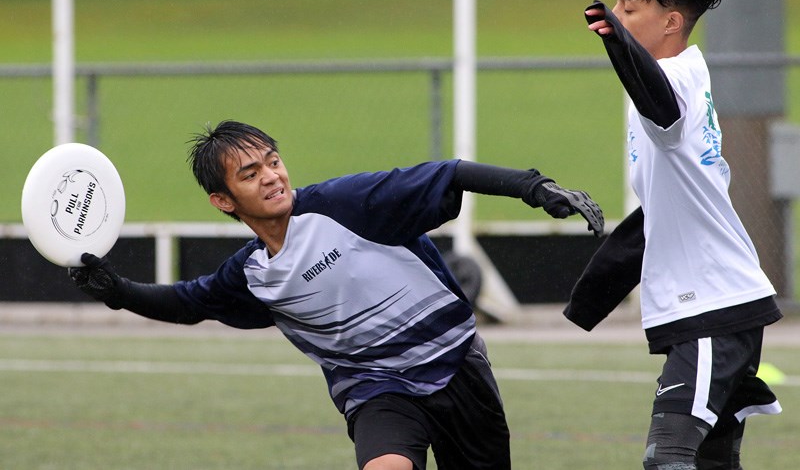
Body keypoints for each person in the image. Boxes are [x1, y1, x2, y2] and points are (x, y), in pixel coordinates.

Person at [69, 119, 604, 470]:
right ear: (222, 200)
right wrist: (119, 292)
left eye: (272, 161)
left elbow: (450, 173)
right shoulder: (253, 274)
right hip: (376, 392)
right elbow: (190, 303)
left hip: (458, 368)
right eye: (250, 174)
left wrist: (536, 189)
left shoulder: (344, 203)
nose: (271, 177)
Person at [564, 0, 783, 469]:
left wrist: (617, 45)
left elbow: (659, 102)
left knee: (668, 459)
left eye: (628, 7)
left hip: (712, 308)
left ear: (671, 22)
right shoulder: (684, 72)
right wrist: (596, 291)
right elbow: (666, 207)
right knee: (710, 462)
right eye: (616, 3)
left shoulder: (675, 84)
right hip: (711, 308)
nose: (617, 16)